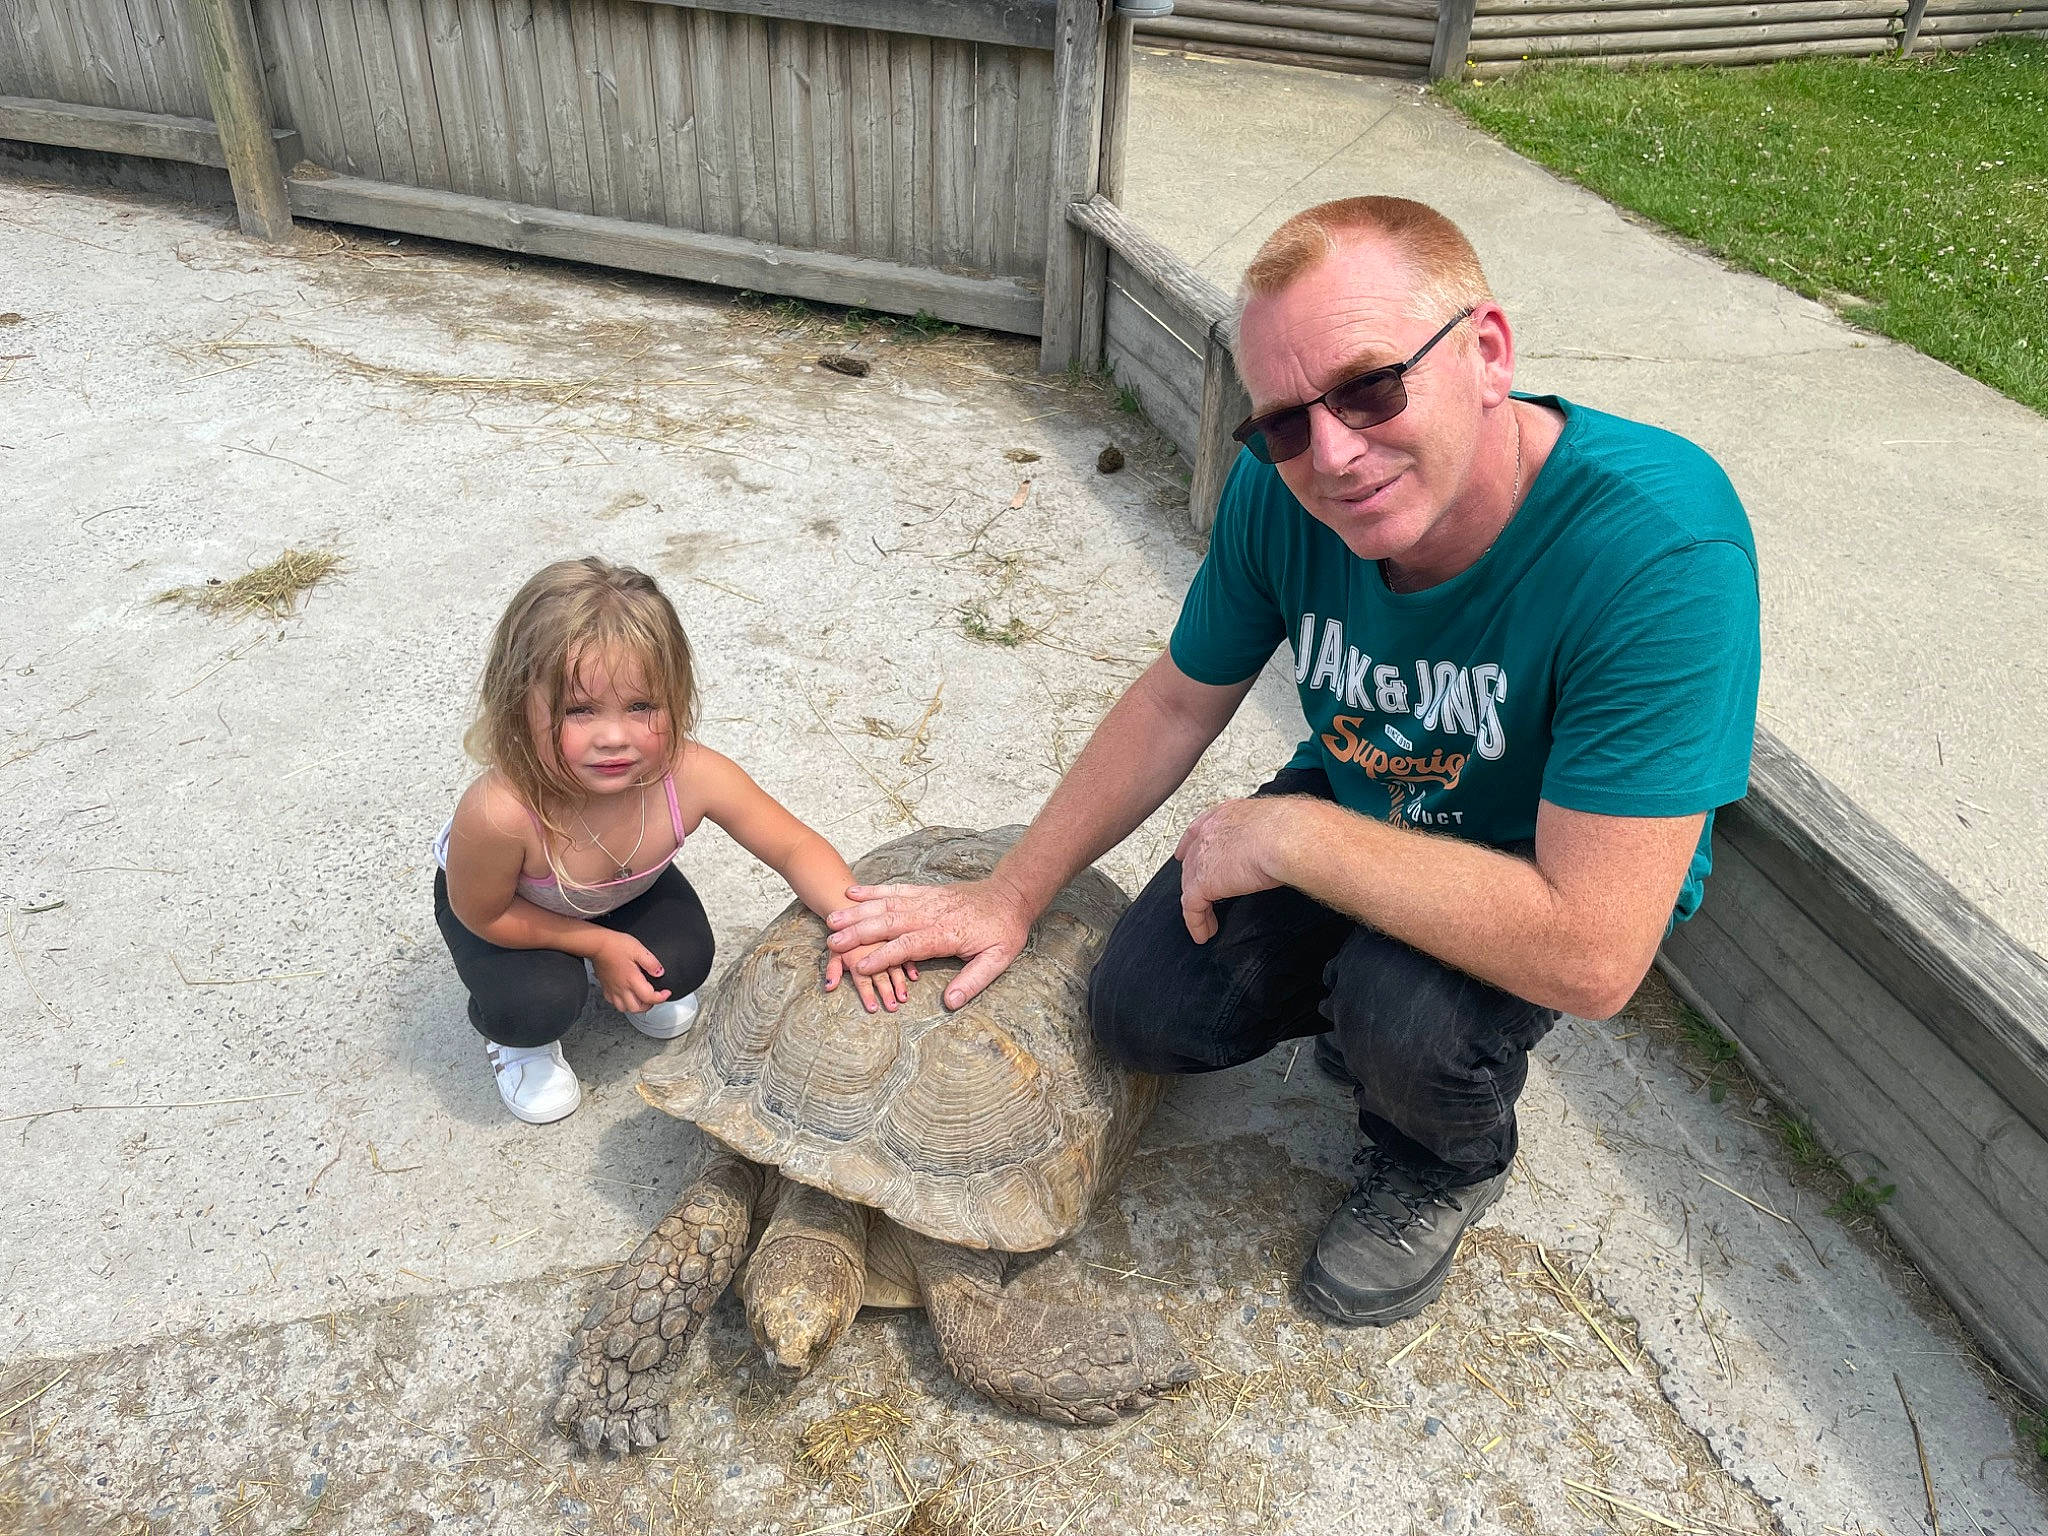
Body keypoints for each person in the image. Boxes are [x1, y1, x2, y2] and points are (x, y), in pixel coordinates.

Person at [824, 196, 1760, 1326]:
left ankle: (1442, 1159)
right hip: (1371, 786)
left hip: (1531, 861)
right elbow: (1176, 699)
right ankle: (1357, 1002)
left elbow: (1593, 951)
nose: (1332, 456)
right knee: (1141, 1010)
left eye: (1372, 387)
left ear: (1487, 353)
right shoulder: (1281, 494)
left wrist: (1290, 836)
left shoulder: (1657, 546)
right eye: (1282, 421)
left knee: (1405, 1021)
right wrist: (1009, 892)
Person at [435, 557, 913, 1124]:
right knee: (536, 1001)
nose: (615, 737)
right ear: (519, 706)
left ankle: (612, 969)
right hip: (506, 911)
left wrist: (855, 927)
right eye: (579, 710)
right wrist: (598, 946)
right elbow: (484, 915)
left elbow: (793, 846)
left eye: (642, 706)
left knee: (682, 963)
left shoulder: (690, 774)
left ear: (676, 697)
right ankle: (517, 1042)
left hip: (618, 891)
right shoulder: (499, 813)